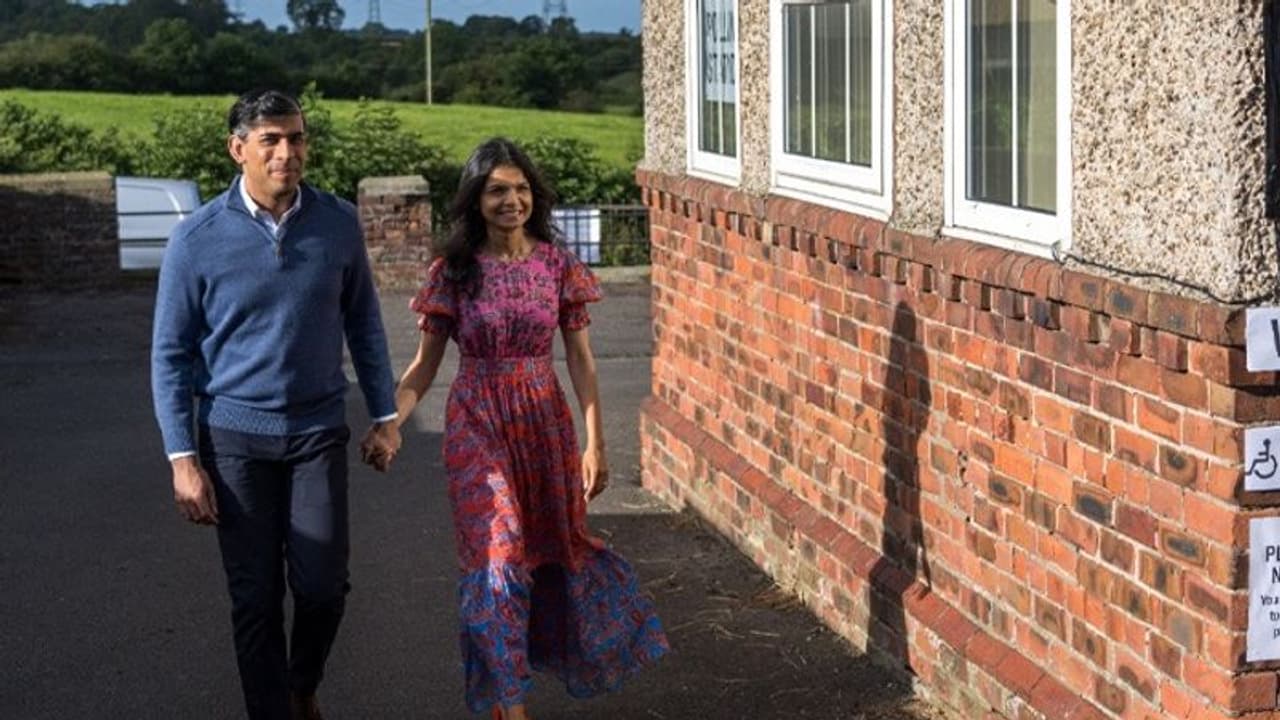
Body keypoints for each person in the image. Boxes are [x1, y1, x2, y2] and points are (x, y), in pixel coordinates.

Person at [366, 138, 668, 719]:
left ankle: (508, 694)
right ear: (476, 199)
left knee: (550, 553)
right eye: (498, 189)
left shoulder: (557, 264)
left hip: (543, 422)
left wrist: (595, 442)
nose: (512, 200)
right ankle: (510, 703)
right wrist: (391, 424)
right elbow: (424, 367)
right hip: (477, 421)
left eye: (522, 188)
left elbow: (580, 359)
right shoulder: (453, 271)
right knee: (498, 558)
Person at [151, 88, 402, 720]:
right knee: (255, 598)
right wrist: (184, 458)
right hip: (233, 438)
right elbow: (170, 354)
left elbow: (365, 326)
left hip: (317, 429)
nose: (286, 152)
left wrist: (385, 416)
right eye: (270, 140)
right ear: (239, 150)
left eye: (295, 138)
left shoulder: (337, 222)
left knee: (322, 589)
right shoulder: (196, 239)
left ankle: (300, 683)